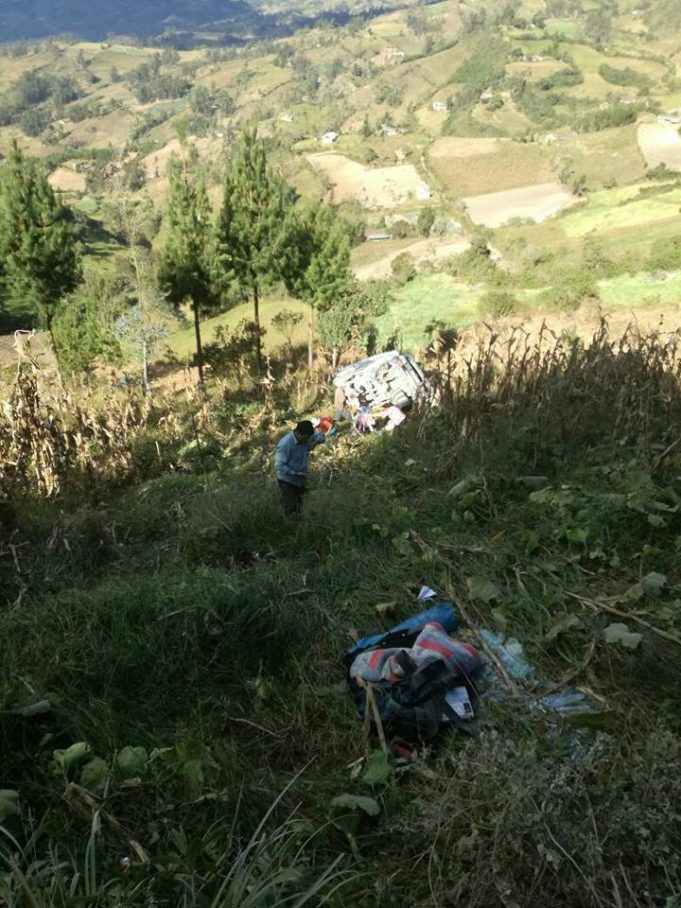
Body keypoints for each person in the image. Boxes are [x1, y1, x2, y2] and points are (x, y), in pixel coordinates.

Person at [275, 420, 325, 515]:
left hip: (301, 478)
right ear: (297, 432)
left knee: (301, 504)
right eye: (305, 438)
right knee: (291, 507)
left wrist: (315, 443)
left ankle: (299, 522)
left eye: (308, 438)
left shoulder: (307, 436)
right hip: (287, 480)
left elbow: (321, 436)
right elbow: (279, 466)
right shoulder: (285, 444)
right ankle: (290, 525)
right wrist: (294, 473)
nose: (306, 440)